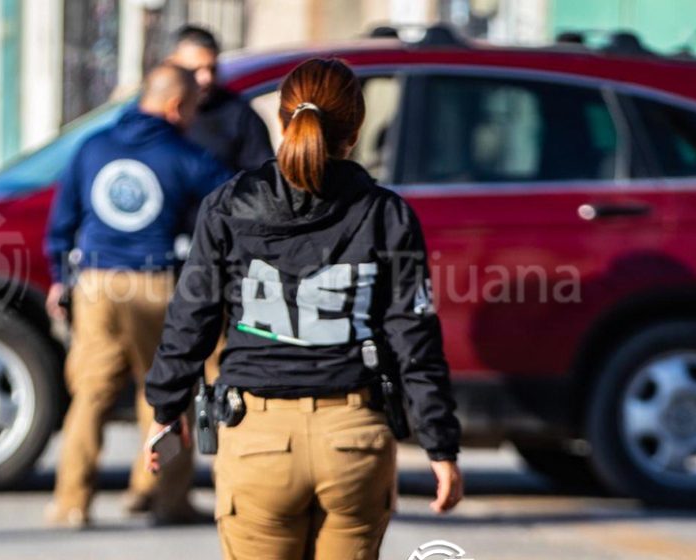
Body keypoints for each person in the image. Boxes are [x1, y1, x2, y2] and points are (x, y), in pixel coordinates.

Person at [144, 58, 464, 559]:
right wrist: (440, 446)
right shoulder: (387, 214)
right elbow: (413, 337)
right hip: (354, 440)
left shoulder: (227, 206)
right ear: (354, 131)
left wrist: (166, 408)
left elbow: (192, 318)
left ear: (281, 120)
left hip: (257, 437)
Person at [44, 63, 231, 527]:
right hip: (156, 284)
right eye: (189, 108)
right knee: (169, 391)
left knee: (90, 395)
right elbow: (228, 200)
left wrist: (57, 275)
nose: (191, 117)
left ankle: (71, 502)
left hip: (96, 286)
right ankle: (164, 498)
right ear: (174, 105)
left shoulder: (92, 147)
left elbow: (62, 220)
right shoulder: (182, 154)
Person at [168, 25, 274, 173]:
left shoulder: (239, 116)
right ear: (171, 64)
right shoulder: (150, 112)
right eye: (195, 69)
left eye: (212, 69)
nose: (206, 78)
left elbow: (262, 181)